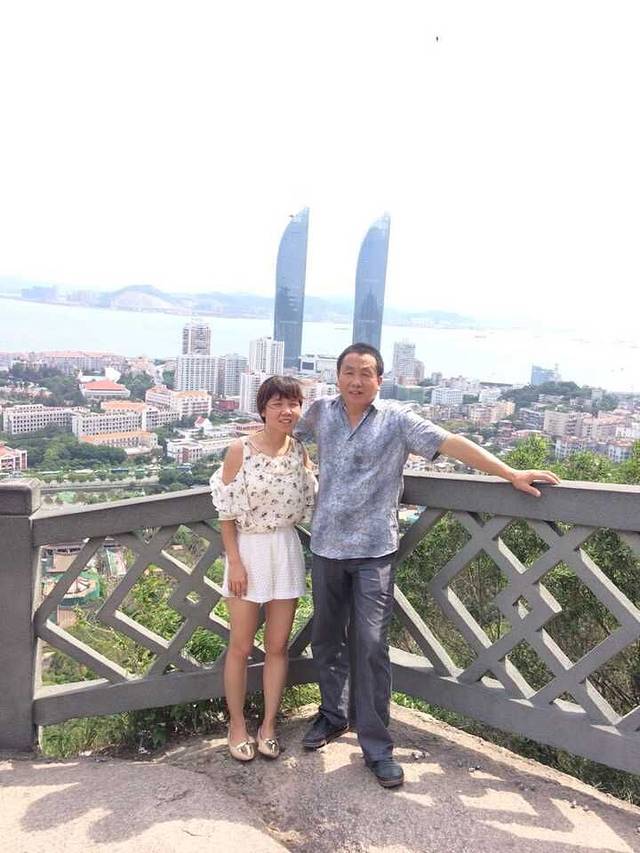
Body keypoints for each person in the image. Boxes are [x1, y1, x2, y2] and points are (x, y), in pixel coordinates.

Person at [296, 343, 560, 788]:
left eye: (365, 373)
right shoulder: (320, 412)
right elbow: (283, 433)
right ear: (337, 376)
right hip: (325, 547)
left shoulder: (396, 419)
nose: (356, 380)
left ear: (379, 380)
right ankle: (333, 715)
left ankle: (376, 747)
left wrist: (510, 473)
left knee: (371, 646)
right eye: (348, 371)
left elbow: (451, 443)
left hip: (374, 552)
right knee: (326, 638)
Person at [210, 375, 315, 762]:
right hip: (248, 549)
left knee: (277, 647)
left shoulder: (299, 451)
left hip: (285, 548)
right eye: (278, 404)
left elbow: (311, 500)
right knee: (240, 646)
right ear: (263, 409)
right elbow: (225, 512)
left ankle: (269, 725)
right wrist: (235, 562)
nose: (287, 411)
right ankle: (237, 724)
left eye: (293, 403)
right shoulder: (240, 449)